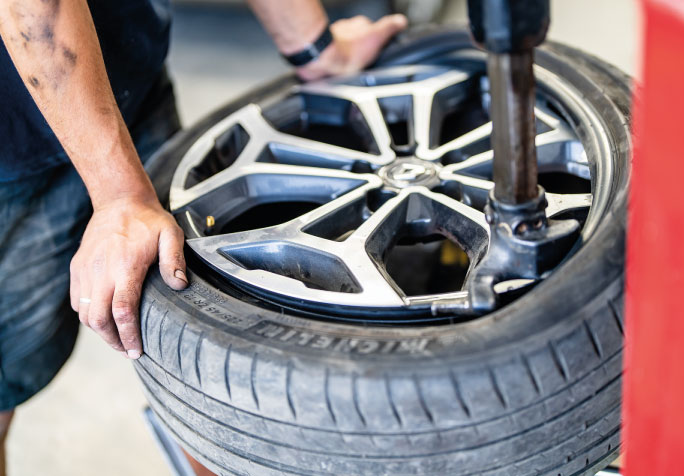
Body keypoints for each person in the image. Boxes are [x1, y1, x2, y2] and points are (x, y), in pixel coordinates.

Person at [0, 0, 407, 473]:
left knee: (200, 357)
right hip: (8, 148)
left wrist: (312, 48)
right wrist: (120, 195)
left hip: (120, 69)